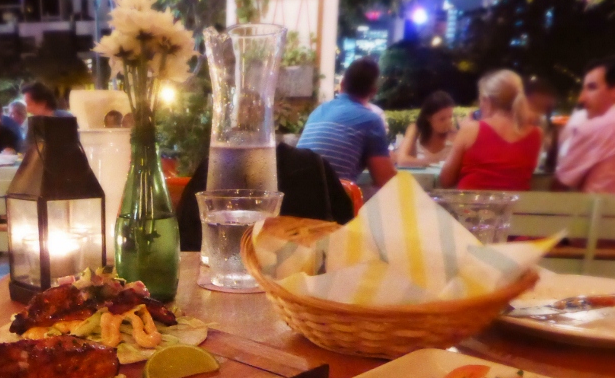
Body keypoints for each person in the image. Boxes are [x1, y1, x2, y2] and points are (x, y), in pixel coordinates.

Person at [176, 143, 355, 252]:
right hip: (303, 291)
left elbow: (183, 244)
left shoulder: (209, 170)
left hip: (213, 281)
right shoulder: (312, 166)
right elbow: (348, 244)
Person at [297, 58, 396, 187]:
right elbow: (385, 181)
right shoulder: (371, 120)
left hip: (295, 193)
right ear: (373, 92)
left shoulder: (318, 111)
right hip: (328, 197)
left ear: (342, 84)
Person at [439, 70, 542, 191]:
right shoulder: (537, 134)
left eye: (480, 100)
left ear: (487, 100)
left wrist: (462, 134)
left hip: (471, 202)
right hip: (517, 203)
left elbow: (445, 181)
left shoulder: (471, 129)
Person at [554, 55, 615, 195]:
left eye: (591, 88)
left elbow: (560, 186)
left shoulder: (594, 129)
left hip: (599, 208)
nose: (581, 99)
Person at [395, 91, 457, 167]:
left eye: (450, 117)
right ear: (429, 118)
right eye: (442, 119)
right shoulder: (416, 129)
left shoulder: (454, 133)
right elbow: (401, 160)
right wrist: (431, 162)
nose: (448, 122)